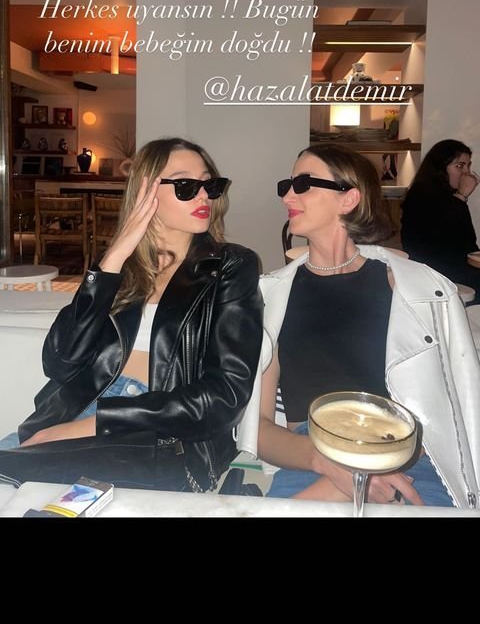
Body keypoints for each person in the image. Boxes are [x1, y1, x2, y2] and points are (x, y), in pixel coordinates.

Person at [0, 138, 263, 492]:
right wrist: (111, 261)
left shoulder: (230, 266)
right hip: (79, 410)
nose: (204, 196)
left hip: (158, 431)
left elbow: (225, 396)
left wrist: (97, 423)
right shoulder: (121, 266)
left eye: (209, 184)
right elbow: (60, 363)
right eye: (186, 185)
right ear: (145, 191)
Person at [237, 144, 480, 509]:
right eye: (287, 185)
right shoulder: (270, 295)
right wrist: (333, 467)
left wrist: (376, 466)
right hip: (311, 455)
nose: (287, 195)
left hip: (409, 460)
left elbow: (454, 408)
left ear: (348, 198)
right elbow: (258, 429)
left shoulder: (416, 289)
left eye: (303, 183)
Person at [401, 139, 480, 301]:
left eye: (468, 166)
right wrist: (461, 196)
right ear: (440, 168)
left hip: (451, 269)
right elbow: (443, 237)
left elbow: (467, 243)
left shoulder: (447, 196)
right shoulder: (422, 193)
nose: (467, 173)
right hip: (435, 274)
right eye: (460, 166)